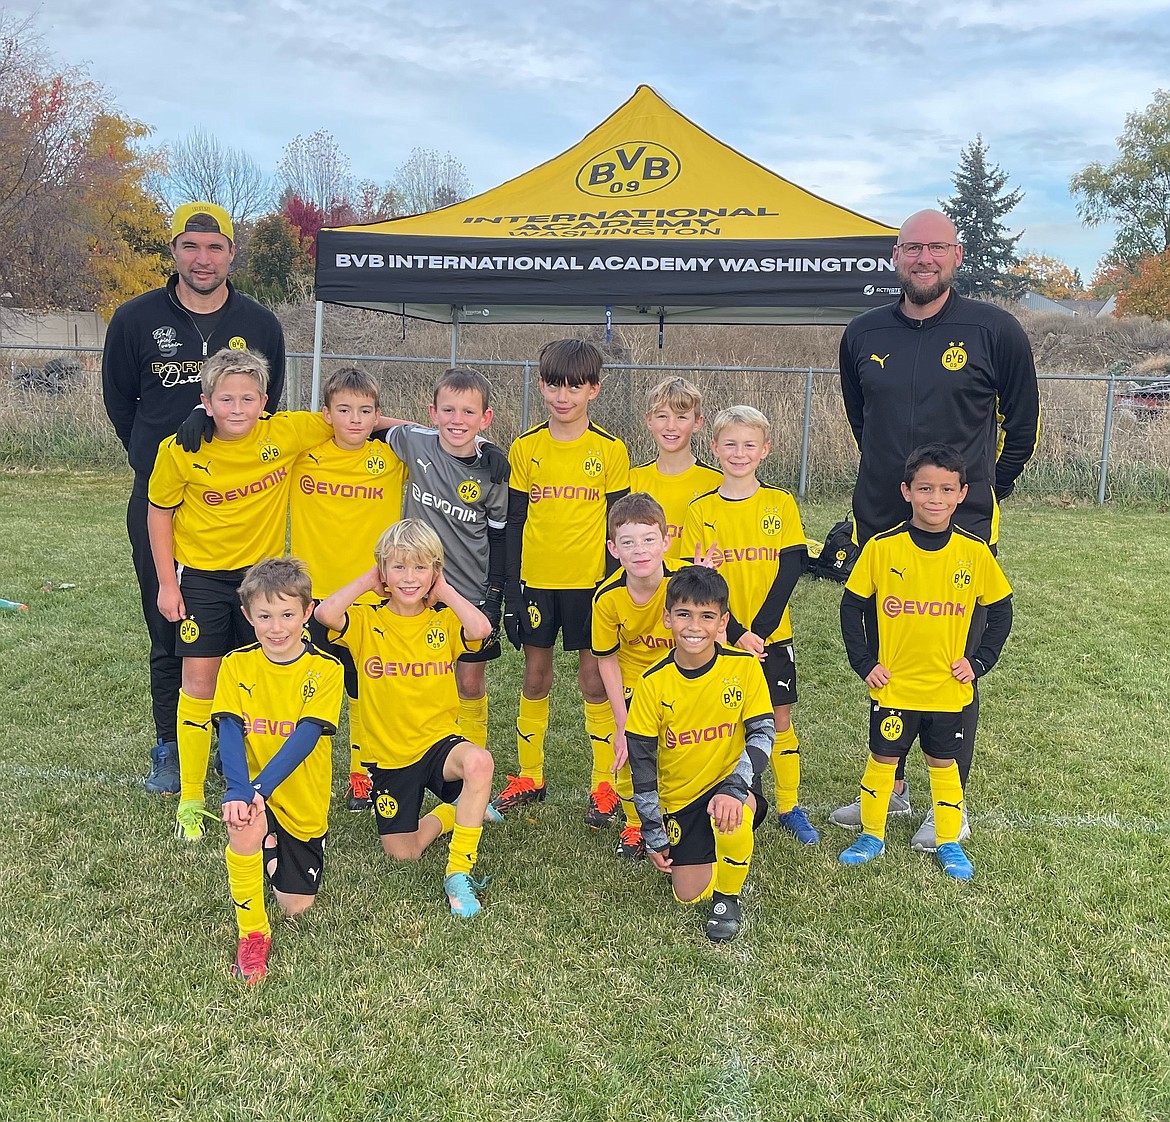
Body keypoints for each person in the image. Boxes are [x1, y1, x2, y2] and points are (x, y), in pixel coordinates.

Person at [834, 208, 1039, 849]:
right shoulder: (862, 333)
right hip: (883, 516)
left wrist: (980, 492)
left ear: (955, 256)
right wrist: (892, 487)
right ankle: (888, 789)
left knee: (955, 660)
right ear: (896, 258)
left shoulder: (994, 330)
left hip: (962, 523)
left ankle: (950, 803)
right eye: (912, 248)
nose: (924, 258)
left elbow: (1022, 427)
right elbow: (861, 420)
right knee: (889, 652)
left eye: (937, 248)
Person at [102, 201, 286, 796]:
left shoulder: (260, 323)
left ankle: (243, 736)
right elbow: (120, 401)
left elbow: (270, 403)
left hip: (237, 498)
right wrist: (156, 456)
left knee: (248, 621)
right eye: (190, 246)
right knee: (169, 615)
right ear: (174, 251)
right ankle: (171, 745)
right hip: (165, 496)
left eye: (214, 247)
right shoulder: (134, 319)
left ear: (232, 253)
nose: (202, 259)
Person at [147, 348, 332, 841]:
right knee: (200, 681)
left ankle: (261, 781)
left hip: (263, 580)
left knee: (264, 677)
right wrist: (169, 583)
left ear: (264, 401)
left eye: (247, 398)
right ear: (205, 402)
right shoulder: (180, 450)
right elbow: (158, 512)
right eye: (225, 398)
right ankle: (190, 797)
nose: (236, 408)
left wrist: (428, 437)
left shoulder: (284, 432)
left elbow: (353, 416)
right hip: (203, 578)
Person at [837, 444, 1013, 880]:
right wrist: (864, 663)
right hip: (894, 685)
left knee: (943, 763)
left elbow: (1002, 610)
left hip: (945, 688)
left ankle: (949, 841)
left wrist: (980, 662)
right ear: (907, 491)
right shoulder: (883, 547)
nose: (935, 498)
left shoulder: (973, 552)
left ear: (961, 494)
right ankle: (872, 835)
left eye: (946, 489)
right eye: (925, 488)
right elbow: (851, 606)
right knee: (882, 757)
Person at [314, 520, 498, 918]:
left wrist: (444, 590)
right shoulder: (366, 622)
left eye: (420, 568)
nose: (409, 578)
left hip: (438, 744)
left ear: (434, 571)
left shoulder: (443, 621)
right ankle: (455, 811)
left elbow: (481, 628)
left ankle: (458, 871)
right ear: (384, 572)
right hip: (390, 756)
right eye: (398, 568)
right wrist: (369, 579)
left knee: (480, 761)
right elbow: (326, 613)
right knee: (405, 852)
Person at [493, 340, 631, 823]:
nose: (563, 396)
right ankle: (530, 774)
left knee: (594, 680)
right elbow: (512, 522)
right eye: (553, 385)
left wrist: (616, 591)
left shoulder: (611, 450)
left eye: (575, 386)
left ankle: (604, 784)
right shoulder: (526, 448)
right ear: (541, 385)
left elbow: (620, 526)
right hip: (537, 583)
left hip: (591, 586)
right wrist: (510, 589)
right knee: (536, 675)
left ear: (594, 388)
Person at [680, 406, 817, 845]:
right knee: (725, 719)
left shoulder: (779, 503)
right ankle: (724, 794)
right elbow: (700, 579)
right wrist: (737, 632)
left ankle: (789, 806)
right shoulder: (700, 510)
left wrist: (760, 627)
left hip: (772, 635)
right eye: (731, 444)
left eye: (750, 445)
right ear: (715, 448)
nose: (740, 453)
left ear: (765, 450)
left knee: (779, 719)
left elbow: (791, 567)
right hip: (721, 636)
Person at [624, 566, 774, 943]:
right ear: (667, 618)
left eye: (707, 616)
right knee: (687, 896)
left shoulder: (743, 668)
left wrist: (736, 786)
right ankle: (717, 855)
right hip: (682, 799)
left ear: (723, 622)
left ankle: (727, 898)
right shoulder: (651, 683)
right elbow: (641, 764)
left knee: (733, 815)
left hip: (731, 785)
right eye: (684, 614)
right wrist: (653, 831)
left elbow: (763, 732)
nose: (695, 626)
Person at [214, 557, 344, 984]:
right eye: (264, 616)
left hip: (298, 794)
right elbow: (230, 729)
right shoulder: (236, 664)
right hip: (255, 791)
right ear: (247, 615)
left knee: (296, 905)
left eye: (287, 614)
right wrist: (240, 789)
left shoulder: (327, 669)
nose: (276, 627)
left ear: (307, 614)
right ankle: (253, 934)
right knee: (243, 821)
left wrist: (263, 787)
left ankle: (274, 847)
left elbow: (306, 737)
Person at [289, 366, 408, 811]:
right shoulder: (304, 453)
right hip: (314, 595)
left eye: (365, 412)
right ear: (326, 414)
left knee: (365, 687)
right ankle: (302, 769)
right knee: (313, 686)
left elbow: (429, 434)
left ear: (377, 415)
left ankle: (362, 774)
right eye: (344, 410)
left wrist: (386, 424)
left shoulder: (392, 458)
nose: (355, 420)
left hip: (371, 597)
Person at [383, 367, 510, 759]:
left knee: (469, 684)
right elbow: (367, 420)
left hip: (469, 592)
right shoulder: (416, 443)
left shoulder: (493, 472)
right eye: (448, 411)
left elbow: (499, 536)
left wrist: (494, 596)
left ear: (485, 418)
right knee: (413, 680)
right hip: (412, 588)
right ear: (432, 413)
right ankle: (408, 760)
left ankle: (473, 767)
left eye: (469, 413)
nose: (458, 420)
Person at [592, 493, 694, 860]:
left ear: (666, 542)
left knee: (682, 748)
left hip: (682, 674)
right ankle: (636, 823)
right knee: (630, 754)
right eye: (628, 542)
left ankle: (682, 812)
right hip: (637, 681)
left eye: (649, 539)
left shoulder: (687, 580)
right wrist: (622, 724)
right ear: (613, 548)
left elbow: (714, 637)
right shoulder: (607, 598)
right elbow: (607, 661)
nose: (640, 550)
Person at [628, 377, 721, 559]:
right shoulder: (633, 479)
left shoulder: (716, 482)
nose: (671, 426)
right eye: (662, 416)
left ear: (697, 422)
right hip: (646, 584)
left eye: (681, 417)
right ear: (649, 420)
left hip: (695, 585)